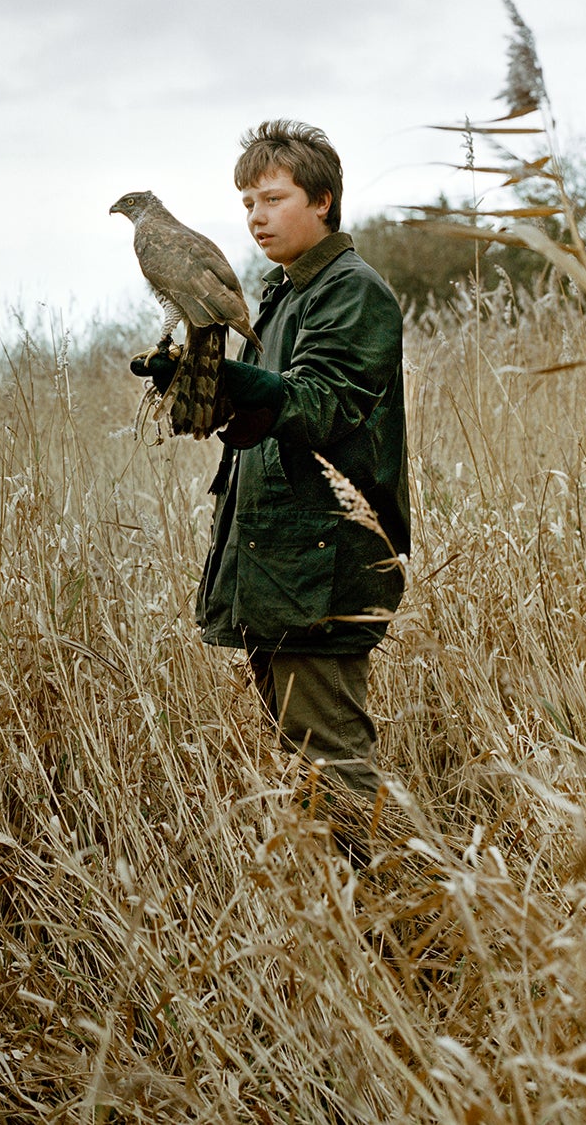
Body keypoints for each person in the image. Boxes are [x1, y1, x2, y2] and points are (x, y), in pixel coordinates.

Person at [134, 120, 409, 857]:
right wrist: (205, 389)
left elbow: (321, 403)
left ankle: (419, 927)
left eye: (273, 199)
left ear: (322, 201)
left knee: (336, 766)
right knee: (311, 762)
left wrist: (242, 382)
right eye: (248, 202)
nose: (256, 217)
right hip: (277, 562)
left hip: (321, 566)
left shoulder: (352, 293)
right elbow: (270, 409)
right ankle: (363, 932)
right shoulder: (286, 295)